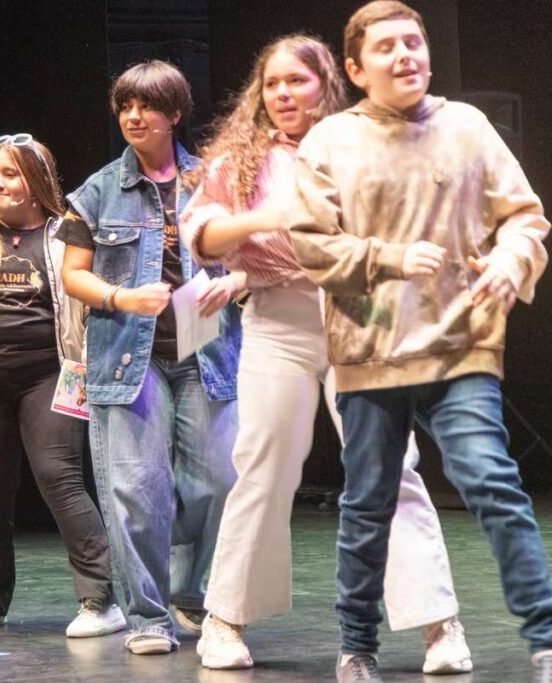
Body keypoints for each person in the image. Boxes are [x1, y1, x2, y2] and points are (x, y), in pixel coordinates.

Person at [180, 33, 471, 675]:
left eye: (297, 81)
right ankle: (224, 621)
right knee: (262, 464)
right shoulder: (242, 159)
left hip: (357, 313)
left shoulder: (365, 142)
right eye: (272, 84)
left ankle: (439, 625)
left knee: (391, 465)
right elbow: (201, 234)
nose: (283, 94)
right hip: (278, 322)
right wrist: (266, 222)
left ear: (326, 84)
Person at [286, 3, 552, 681]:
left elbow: (524, 217)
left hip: (460, 343)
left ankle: (546, 638)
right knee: (368, 501)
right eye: (387, 47)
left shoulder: (467, 127)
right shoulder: (329, 143)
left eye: (414, 41)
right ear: (355, 68)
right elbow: (313, 245)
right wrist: (390, 258)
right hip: (371, 349)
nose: (405, 54)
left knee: (492, 479)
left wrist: (509, 259)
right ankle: (357, 646)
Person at [59, 60, 243, 655]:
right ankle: (147, 615)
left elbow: (254, 255)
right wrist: (122, 296)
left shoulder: (213, 181)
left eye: (146, 106)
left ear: (175, 114)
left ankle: (189, 591)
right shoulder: (97, 190)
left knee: (218, 479)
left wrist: (233, 282)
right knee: (138, 489)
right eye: (124, 107)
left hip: (206, 349)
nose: (133, 117)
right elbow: (72, 276)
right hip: (126, 356)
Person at [0, 133, 125, 637]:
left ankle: (101, 600)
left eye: (9, 174)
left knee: (59, 476)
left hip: (51, 375)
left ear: (36, 182)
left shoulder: (66, 236)